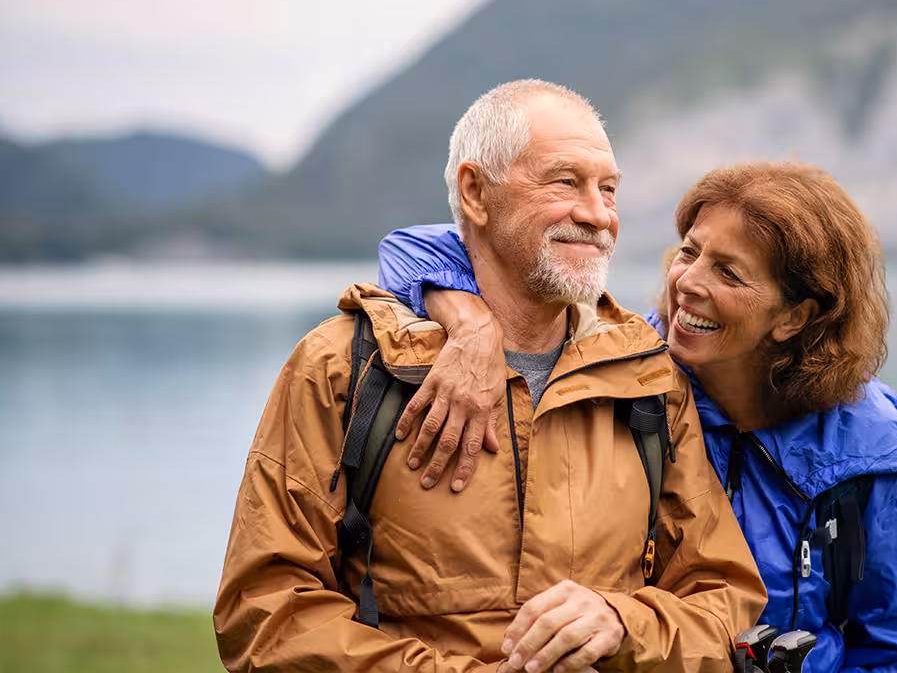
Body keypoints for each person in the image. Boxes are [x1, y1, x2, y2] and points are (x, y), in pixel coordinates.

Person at [213, 80, 767, 673]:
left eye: (608, 189)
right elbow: (266, 615)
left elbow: (724, 599)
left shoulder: (648, 375)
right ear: (475, 192)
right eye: (564, 181)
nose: (599, 215)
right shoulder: (342, 367)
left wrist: (622, 623)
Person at [377, 161, 897, 670]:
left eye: (729, 273)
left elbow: (891, 646)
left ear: (795, 316)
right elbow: (409, 247)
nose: (687, 283)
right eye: (690, 251)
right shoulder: (629, 372)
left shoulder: (868, 445)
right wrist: (469, 321)